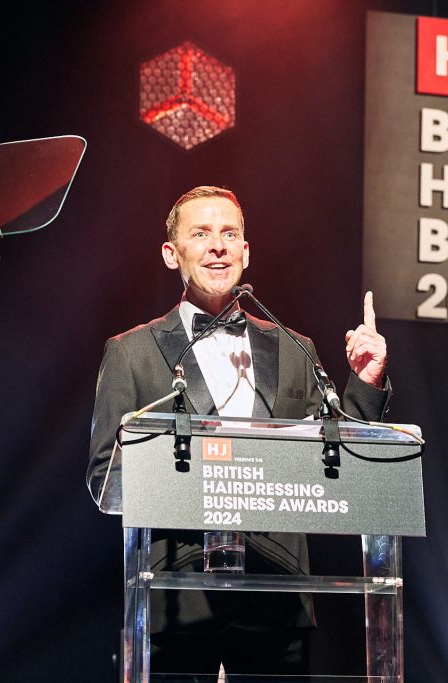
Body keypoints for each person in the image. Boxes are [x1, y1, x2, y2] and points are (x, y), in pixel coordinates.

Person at [86, 185, 390, 678]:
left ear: (246, 251)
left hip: (280, 598)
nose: (218, 246)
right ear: (171, 253)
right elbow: (106, 478)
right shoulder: (132, 353)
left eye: (230, 234)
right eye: (201, 233)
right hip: (178, 599)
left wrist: (366, 381)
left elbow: (343, 466)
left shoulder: (295, 348)